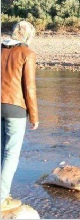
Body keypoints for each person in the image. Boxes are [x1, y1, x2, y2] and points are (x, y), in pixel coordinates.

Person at [1, 21, 39, 211]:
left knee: (2, 151)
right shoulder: (27, 53)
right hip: (15, 108)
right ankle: (1, 198)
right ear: (28, 36)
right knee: (11, 154)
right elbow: (29, 87)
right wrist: (34, 116)